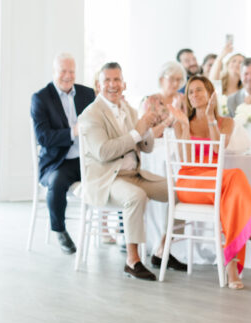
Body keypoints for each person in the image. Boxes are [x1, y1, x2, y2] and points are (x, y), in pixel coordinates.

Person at [167, 76, 251, 289]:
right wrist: (186, 125)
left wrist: (210, 119)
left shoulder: (227, 122)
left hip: (216, 183)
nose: (194, 95)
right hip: (190, 183)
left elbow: (218, 149)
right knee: (235, 176)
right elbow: (185, 156)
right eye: (190, 92)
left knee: (231, 199)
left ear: (210, 94)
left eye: (199, 90)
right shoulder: (181, 123)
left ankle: (231, 266)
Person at [77, 62, 171, 281]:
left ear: (124, 83)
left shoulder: (128, 109)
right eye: (107, 80)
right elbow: (103, 152)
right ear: (98, 86)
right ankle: (133, 260)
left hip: (134, 175)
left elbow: (145, 147)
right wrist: (137, 132)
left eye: (117, 79)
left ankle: (162, 250)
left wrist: (147, 127)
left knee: (178, 191)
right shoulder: (90, 115)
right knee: (136, 197)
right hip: (107, 179)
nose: (113, 84)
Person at [31, 53, 96, 254]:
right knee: (57, 182)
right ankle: (59, 230)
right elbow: (44, 138)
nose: (68, 76)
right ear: (54, 72)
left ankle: (115, 232)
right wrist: (72, 132)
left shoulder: (88, 94)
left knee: (116, 173)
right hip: (58, 161)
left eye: (71, 71)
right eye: (63, 71)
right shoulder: (41, 98)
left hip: (86, 159)